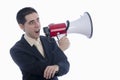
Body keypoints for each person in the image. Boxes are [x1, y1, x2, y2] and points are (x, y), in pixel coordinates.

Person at [10, 7, 70, 80]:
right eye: (32, 22)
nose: (37, 25)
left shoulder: (50, 40)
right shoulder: (16, 50)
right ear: (21, 26)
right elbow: (43, 70)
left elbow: (65, 65)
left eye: (38, 20)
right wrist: (60, 49)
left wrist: (57, 67)